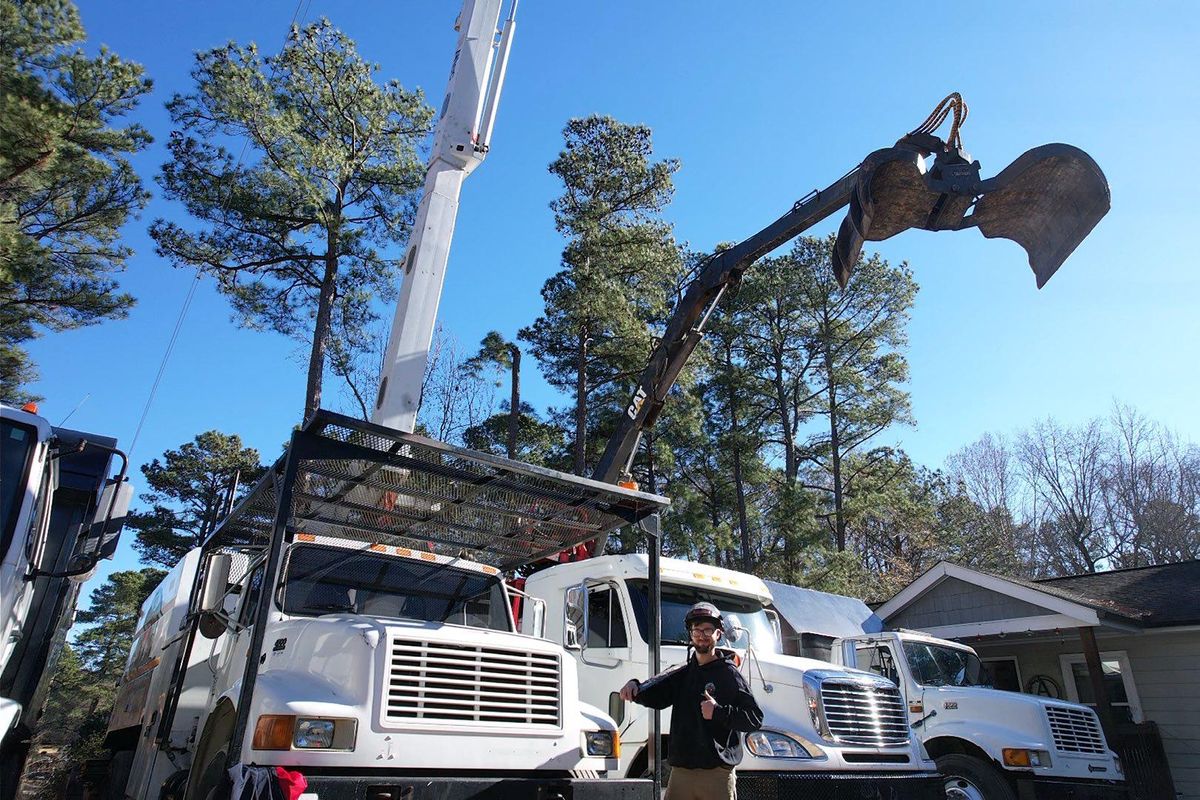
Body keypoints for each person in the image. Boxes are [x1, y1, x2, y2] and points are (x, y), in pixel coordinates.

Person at [618, 602, 763, 800]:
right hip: (681, 774)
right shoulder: (682, 674)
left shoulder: (729, 675)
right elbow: (655, 693)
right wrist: (634, 687)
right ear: (690, 634)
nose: (702, 635)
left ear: (718, 634)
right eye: (696, 630)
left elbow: (754, 718)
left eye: (707, 630)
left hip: (717, 774)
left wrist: (718, 711)